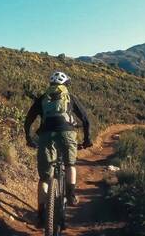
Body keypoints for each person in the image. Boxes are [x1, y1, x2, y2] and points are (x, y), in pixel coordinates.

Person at [24, 71, 93, 227]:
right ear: (65, 84)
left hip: (46, 135)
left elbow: (28, 119)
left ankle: (41, 216)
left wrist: (28, 138)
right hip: (67, 132)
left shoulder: (43, 98)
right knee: (70, 164)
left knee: (44, 178)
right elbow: (86, 119)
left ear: (51, 84)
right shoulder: (69, 97)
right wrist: (87, 140)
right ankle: (71, 194)